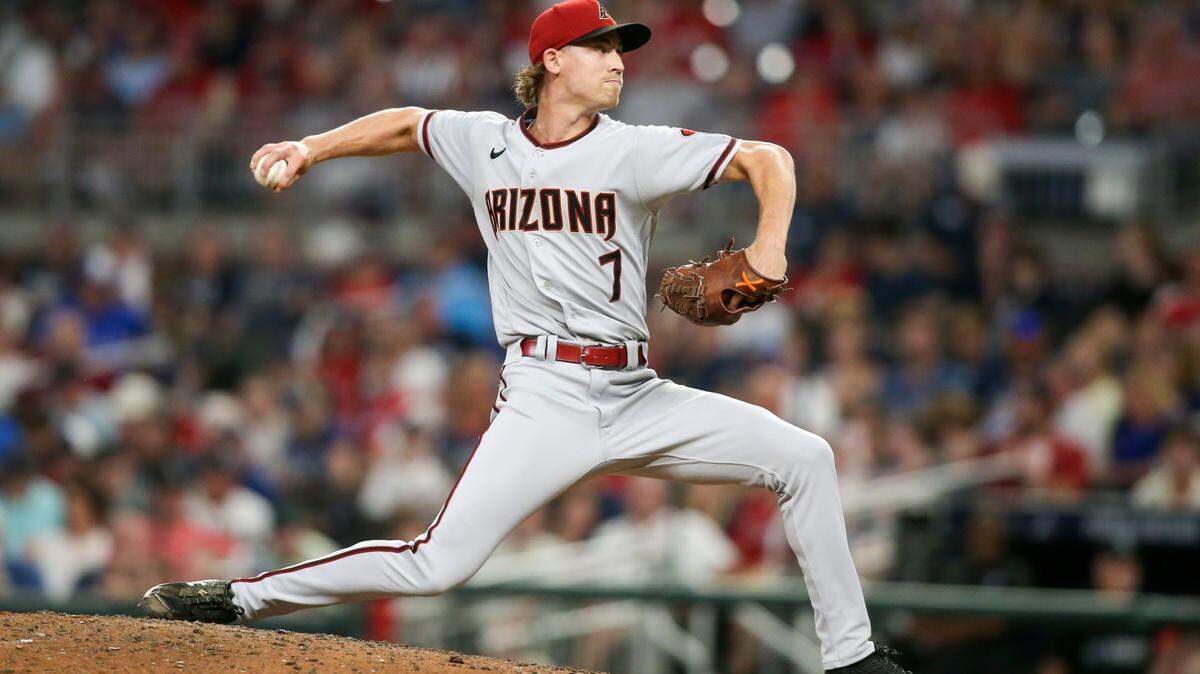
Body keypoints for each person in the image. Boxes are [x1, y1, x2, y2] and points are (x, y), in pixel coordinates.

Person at [139, 2, 905, 672]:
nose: (617, 63)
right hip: (547, 397)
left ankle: (854, 660)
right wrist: (311, 147)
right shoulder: (484, 142)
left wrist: (769, 247)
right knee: (437, 564)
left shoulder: (632, 148)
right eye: (601, 48)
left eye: (620, 50)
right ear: (553, 61)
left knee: (806, 457)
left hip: (639, 392)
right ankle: (239, 598)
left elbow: (768, 159)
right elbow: (407, 123)